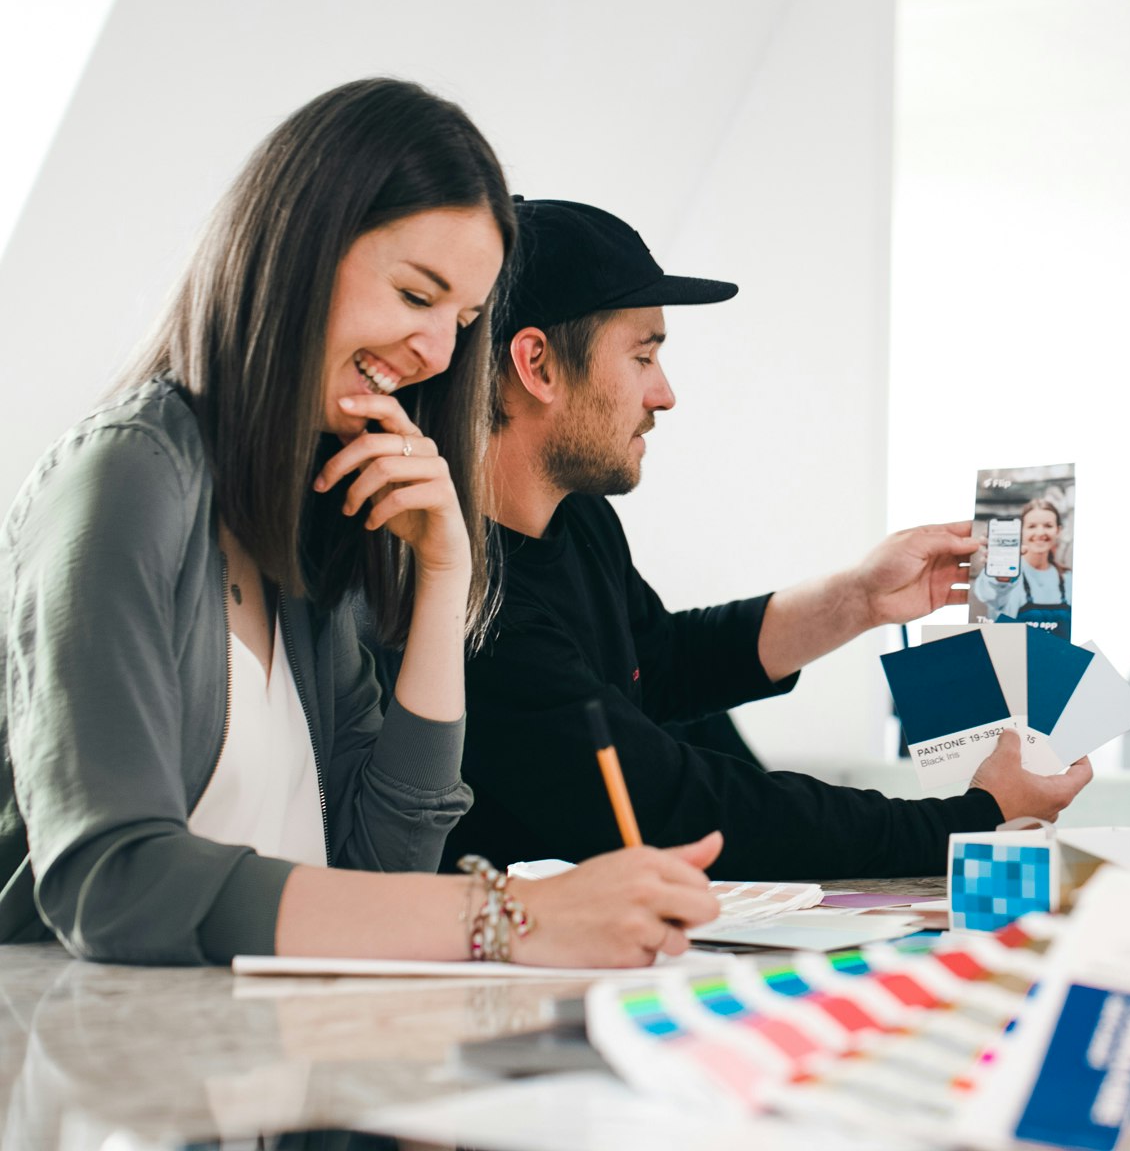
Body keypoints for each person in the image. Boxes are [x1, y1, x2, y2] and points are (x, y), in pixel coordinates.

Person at [0, 81, 724, 967]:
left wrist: (445, 582)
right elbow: (113, 884)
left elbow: (384, 865)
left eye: (462, 320)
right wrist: (511, 918)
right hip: (127, 1083)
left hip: (283, 1075)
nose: (438, 351)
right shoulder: (128, 477)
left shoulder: (310, 511)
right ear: (297, 249)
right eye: (417, 294)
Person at [446, 198, 1091, 882]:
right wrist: (971, 822)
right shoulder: (464, 598)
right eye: (643, 357)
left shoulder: (578, 522)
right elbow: (672, 803)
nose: (664, 395)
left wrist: (858, 599)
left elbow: (658, 664)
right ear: (537, 364)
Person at [970, 497, 1073, 627]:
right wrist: (1001, 579)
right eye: (1032, 526)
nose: (1040, 532)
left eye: (1048, 526)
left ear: (1058, 530)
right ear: (1021, 530)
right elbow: (988, 595)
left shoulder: (1069, 579)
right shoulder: (1007, 574)